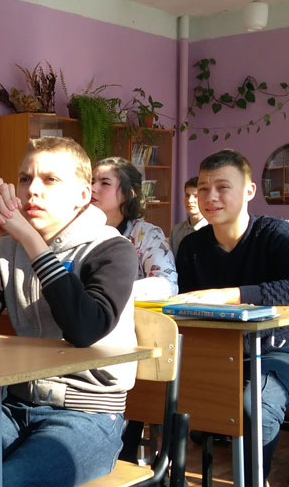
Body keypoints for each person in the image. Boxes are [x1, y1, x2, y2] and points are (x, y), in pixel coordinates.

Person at [0, 136, 139, 485]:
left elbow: (85, 329)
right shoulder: (5, 249)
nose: (32, 190)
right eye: (25, 178)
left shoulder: (112, 248)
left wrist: (31, 240)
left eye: (50, 179)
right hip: (13, 408)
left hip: (88, 415)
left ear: (82, 195)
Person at [174, 149, 289, 486]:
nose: (210, 197)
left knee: (254, 409)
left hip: (274, 352)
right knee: (151, 391)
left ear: (249, 191)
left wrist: (231, 295)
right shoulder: (192, 246)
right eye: (203, 189)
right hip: (214, 353)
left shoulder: (275, 236)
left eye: (223, 187)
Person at [92, 156, 178, 300]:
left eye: (105, 183)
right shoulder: (79, 232)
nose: (93, 189)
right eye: (91, 182)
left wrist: (109, 292)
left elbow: (167, 284)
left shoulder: (146, 234)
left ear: (128, 194)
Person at [169, 176, 207, 257]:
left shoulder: (213, 230)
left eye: (195, 196)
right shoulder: (176, 230)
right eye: (187, 195)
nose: (190, 200)